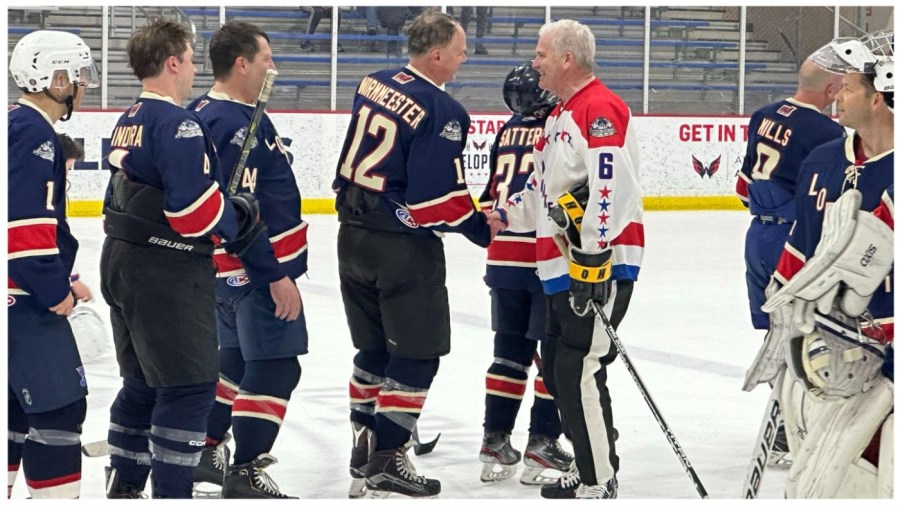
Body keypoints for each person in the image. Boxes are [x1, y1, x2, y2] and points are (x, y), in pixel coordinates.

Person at [99, 18, 284, 499]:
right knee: (189, 388)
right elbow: (190, 214)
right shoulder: (177, 123)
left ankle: (125, 485)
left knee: (141, 383)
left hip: (122, 262)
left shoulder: (130, 118)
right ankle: (173, 491)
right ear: (172, 61)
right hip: (165, 271)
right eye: (190, 57)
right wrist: (237, 213)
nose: (195, 68)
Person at [333, 10, 501, 499]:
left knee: (372, 350)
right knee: (418, 354)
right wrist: (479, 227)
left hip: (352, 237)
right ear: (436, 54)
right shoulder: (444, 110)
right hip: (401, 249)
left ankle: (364, 444)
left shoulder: (373, 82)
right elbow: (437, 201)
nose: (465, 56)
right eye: (460, 48)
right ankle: (387, 457)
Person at [490, 19, 645, 499]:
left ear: (566, 59)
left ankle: (598, 480)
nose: (533, 63)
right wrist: (504, 217)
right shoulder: (561, 114)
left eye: (540, 54)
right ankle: (595, 462)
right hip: (559, 265)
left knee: (579, 367)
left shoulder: (598, 108)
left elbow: (609, 188)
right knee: (561, 364)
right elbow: (546, 192)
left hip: (594, 264)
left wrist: (593, 257)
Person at [761, 30, 893, 498]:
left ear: (880, 97)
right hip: (827, 358)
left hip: (887, 363)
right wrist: (782, 313)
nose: (836, 95)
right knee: (816, 479)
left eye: (849, 87)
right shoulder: (821, 160)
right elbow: (801, 249)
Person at [187, 20, 307, 499]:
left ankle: (205, 449)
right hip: (255, 272)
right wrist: (273, 274)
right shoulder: (232, 124)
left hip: (226, 275)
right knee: (278, 366)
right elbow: (236, 215)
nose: (271, 68)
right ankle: (246, 469)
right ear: (241, 64)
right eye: (264, 59)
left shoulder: (210, 113)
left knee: (234, 365)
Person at [736, 56, 845, 467]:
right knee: (807, 331)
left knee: (776, 332)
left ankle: (784, 420)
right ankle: (789, 427)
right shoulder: (828, 132)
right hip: (794, 241)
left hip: (758, 238)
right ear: (833, 92)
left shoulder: (763, 115)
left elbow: (743, 188)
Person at [7, 29, 99, 500]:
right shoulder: (34, 133)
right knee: (59, 412)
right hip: (21, 299)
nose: (82, 85)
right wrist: (54, 289)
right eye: (78, 74)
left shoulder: (12, 124)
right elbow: (24, 231)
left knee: (14, 410)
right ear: (54, 76)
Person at [476, 63, 573, 486]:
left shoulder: (506, 129)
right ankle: (542, 441)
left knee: (508, 353)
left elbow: (490, 192)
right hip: (540, 256)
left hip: (501, 258)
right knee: (551, 354)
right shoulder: (554, 126)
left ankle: (494, 438)